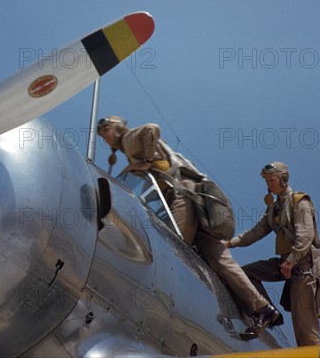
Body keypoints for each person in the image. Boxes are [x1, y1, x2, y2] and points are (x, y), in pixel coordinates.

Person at [97, 116, 281, 335]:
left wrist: (143, 161)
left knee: (168, 247)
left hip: (182, 197)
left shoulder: (128, 139)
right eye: (101, 135)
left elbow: (151, 129)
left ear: (115, 128)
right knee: (218, 258)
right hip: (194, 200)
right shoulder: (128, 146)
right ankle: (262, 308)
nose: (105, 138)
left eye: (105, 131)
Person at [224, 162, 320, 346]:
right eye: (267, 181)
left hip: (302, 270)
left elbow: (306, 236)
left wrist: (291, 261)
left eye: (272, 180)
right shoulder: (274, 209)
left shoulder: (300, 203)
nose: (269, 185)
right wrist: (228, 243)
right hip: (286, 264)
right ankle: (267, 311)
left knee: (305, 334)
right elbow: (254, 233)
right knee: (245, 274)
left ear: (283, 179)